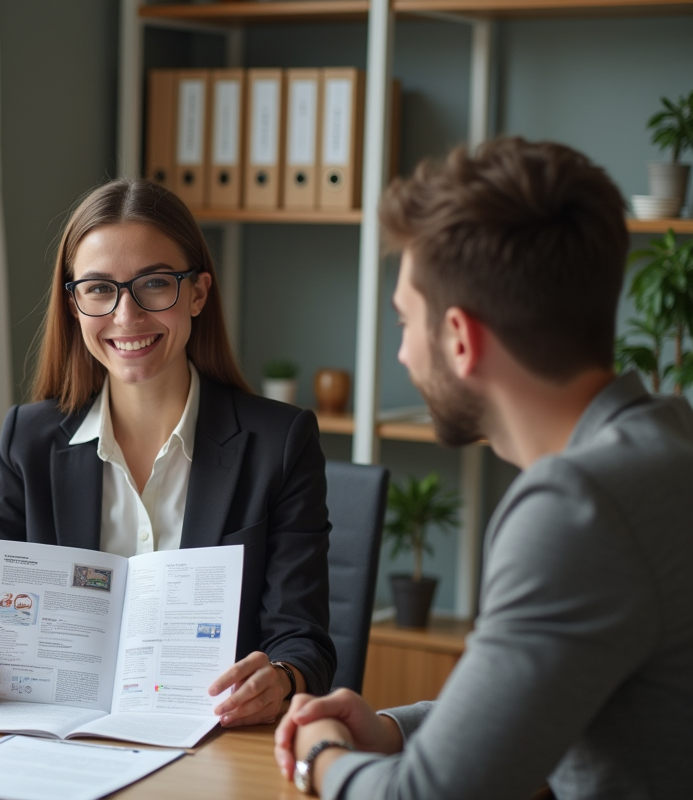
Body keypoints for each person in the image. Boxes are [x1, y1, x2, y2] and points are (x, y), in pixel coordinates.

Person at [273, 137, 693, 799]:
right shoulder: (666, 438)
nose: (405, 354)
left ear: (462, 341)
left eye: (406, 322)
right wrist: (391, 730)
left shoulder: (577, 508)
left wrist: (318, 754)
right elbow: (546, 699)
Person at [0, 178, 336, 727]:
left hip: (209, 751)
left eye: (155, 283)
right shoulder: (29, 441)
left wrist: (281, 678)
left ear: (199, 292)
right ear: (74, 304)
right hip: (56, 750)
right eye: (98, 288)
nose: (127, 315)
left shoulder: (280, 443)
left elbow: (304, 645)